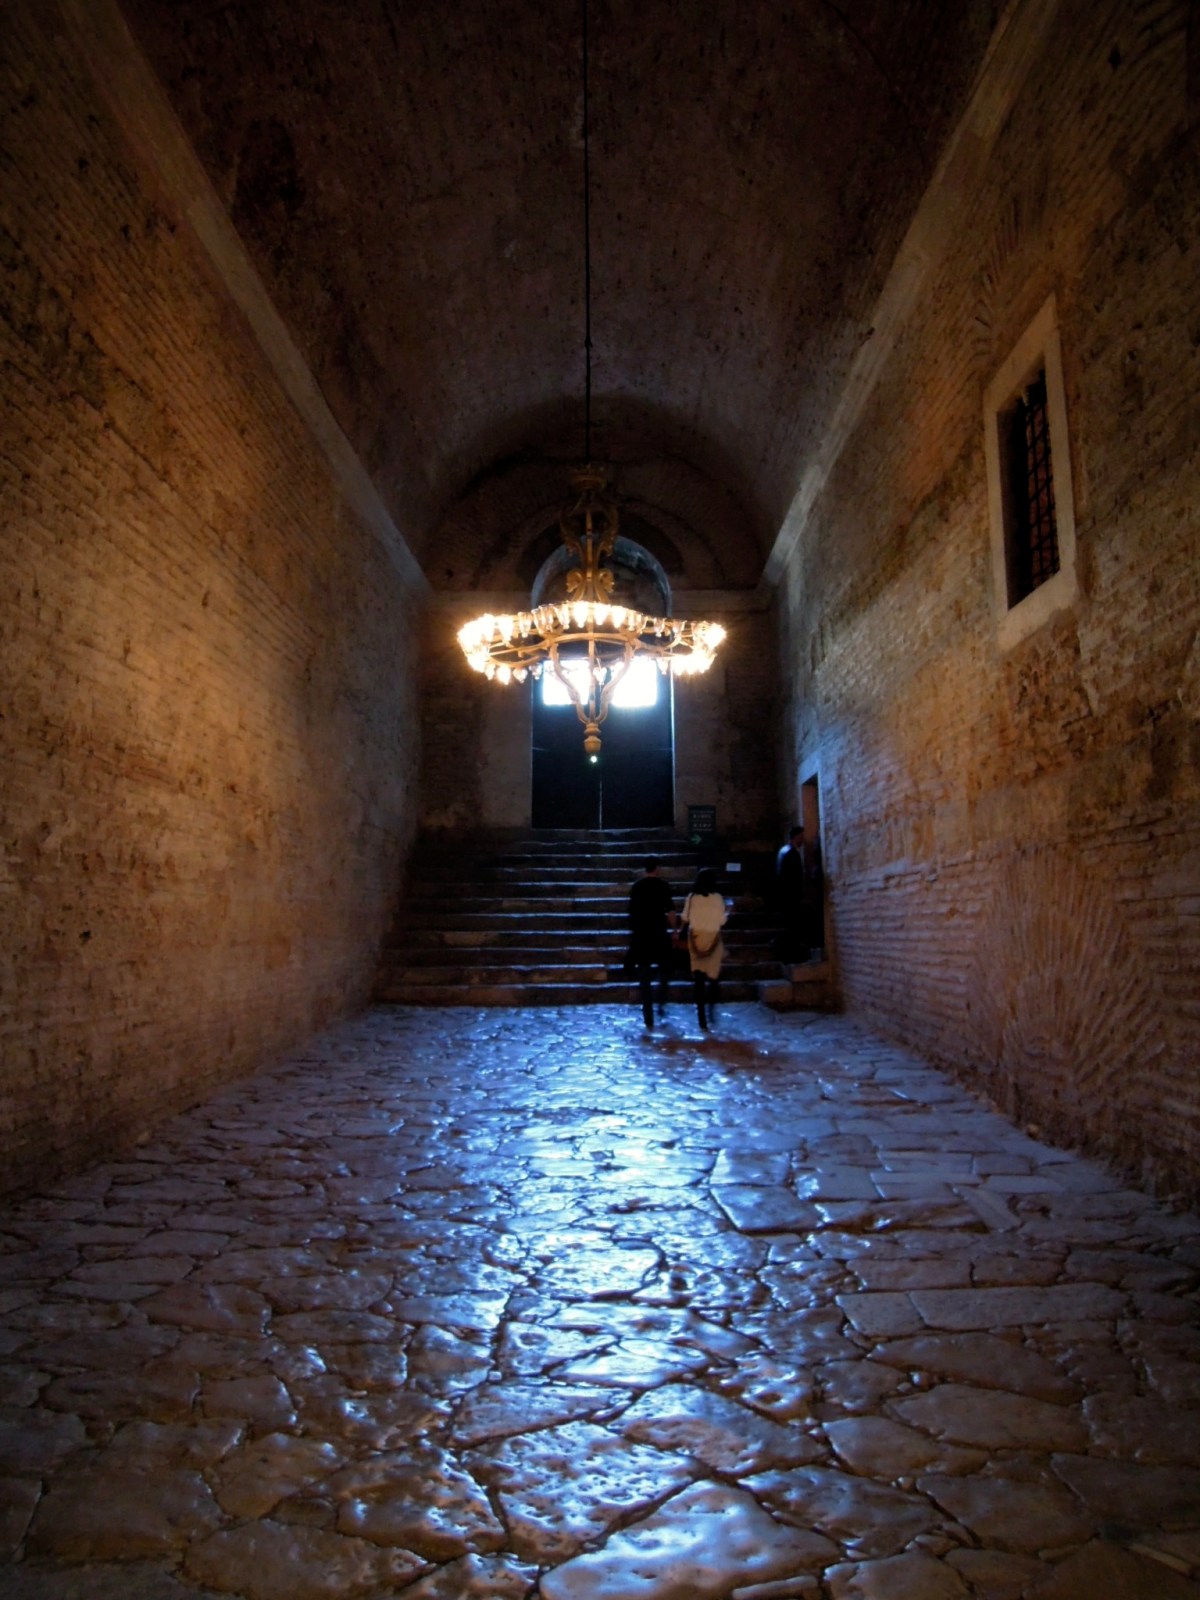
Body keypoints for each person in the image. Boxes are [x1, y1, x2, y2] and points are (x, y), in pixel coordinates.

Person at [627, 858, 677, 1028]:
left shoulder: (637, 887)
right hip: (659, 933)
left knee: (644, 976)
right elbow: (670, 910)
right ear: (657, 868)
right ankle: (661, 1000)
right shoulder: (663, 886)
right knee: (666, 968)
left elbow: (631, 912)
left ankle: (647, 1015)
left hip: (642, 935)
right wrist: (675, 930)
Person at [681, 867, 727, 1031]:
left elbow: (685, 917)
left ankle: (701, 1018)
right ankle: (711, 1010)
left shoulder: (692, 898)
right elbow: (722, 921)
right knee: (713, 976)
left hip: (696, 938)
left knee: (698, 978)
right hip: (713, 938)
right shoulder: (718, 898)